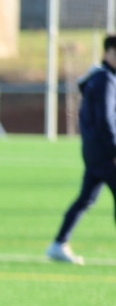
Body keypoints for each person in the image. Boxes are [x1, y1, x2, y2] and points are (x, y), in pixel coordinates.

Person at [48, 33, 116, 265]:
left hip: (93, 151)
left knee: (86, 199)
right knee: (86, 199)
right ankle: (58, 244)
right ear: (108, 53)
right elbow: (106, 120)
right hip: (106, 154)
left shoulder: (97, 77)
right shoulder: (106, 80)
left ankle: (58, 243)